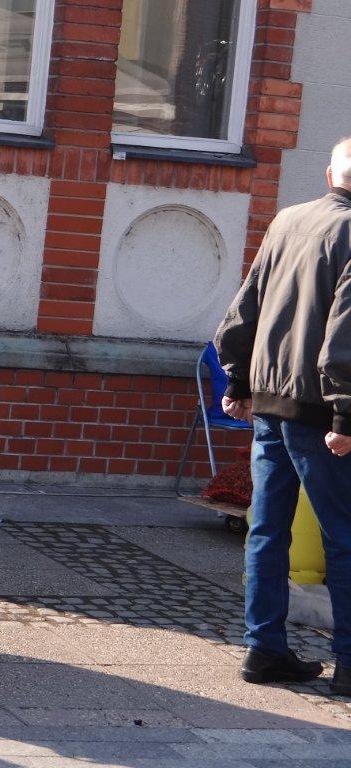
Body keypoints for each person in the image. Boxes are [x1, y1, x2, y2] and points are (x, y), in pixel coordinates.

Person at [215, 137, 351, 696]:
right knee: (343, 536)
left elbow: (246, 306)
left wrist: (238, 381)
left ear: (328, 174)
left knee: (266, 530)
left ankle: (264, 648)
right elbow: (344, 336)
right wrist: (344, 416)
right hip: (321, 412)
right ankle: (348, 664)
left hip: (270, 403)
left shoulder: (287, 220)